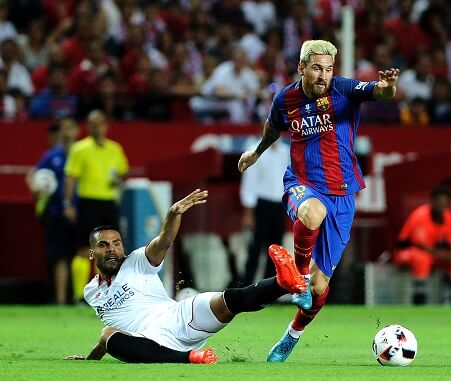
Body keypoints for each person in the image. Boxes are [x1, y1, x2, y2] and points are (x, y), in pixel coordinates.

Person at [237, 39, 400, 362]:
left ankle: (292, 335)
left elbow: (379, 93)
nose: (324, 75)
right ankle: (297, 278)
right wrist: (256, 152)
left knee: (321, 286)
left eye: (328, 69)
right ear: (301, 68)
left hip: (343, 195)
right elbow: (273, 127)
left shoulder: (344, 89)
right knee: (312, 213)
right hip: (302, 182)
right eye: (316, 68)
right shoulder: (286, 98)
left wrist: (388, 87)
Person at [64, 189, 306, 363]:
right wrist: (90, 358)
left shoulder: (138, 261)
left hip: (179, 316)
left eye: (117, 243)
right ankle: (189, 357)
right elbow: (111, 332)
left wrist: (172, 215)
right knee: (107, 335)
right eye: (104, 245)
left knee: (229, 300)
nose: (112, 250)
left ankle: (282, 283)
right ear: (91, 253)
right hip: (150, 340)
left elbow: (164, 240)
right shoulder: (91, 292)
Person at [64, 110, 129, 303]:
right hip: (88, 202)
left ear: (106, 125)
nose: (96, 127)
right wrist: (68, 203)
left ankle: (112, 293)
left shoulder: (115, 149)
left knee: (114, 250)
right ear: (88, 126)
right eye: (92, 123)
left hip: (109, 202)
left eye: (100, 123)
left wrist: (118, 179)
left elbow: (123, 172)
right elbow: (70, 177)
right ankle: (79, 295)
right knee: (86, 249)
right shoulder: (79, 149)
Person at [26, 118, 79, 305]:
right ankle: (62, 301)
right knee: (61, 257)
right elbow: (34, 175)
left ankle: (85, 298)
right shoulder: (52, 156)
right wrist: (34, 186)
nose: (66, 132)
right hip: (57, 214)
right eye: (63, 128)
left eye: (69, 128)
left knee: (84, 255)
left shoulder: (83, 153)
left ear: (77, 131)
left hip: (84, 211)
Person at [393, 184, 451, 305]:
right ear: (432, 201)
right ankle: (420, 299)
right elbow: (420, 245)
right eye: (439, 201)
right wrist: (445, 256)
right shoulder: (420, 215)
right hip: (407, 252)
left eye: (445, 202)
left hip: (434, 255)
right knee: (421, 258)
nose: (441, 205)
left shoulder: (449, 216)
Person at [239, 138, 290, 285]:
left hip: (279, 205)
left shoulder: (284, 152)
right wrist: (249, 213)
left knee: (276, 250)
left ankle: (270, 287)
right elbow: (249, 183)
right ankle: (247, 285)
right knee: (255, 248)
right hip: (261, 205)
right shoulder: (254, 150)